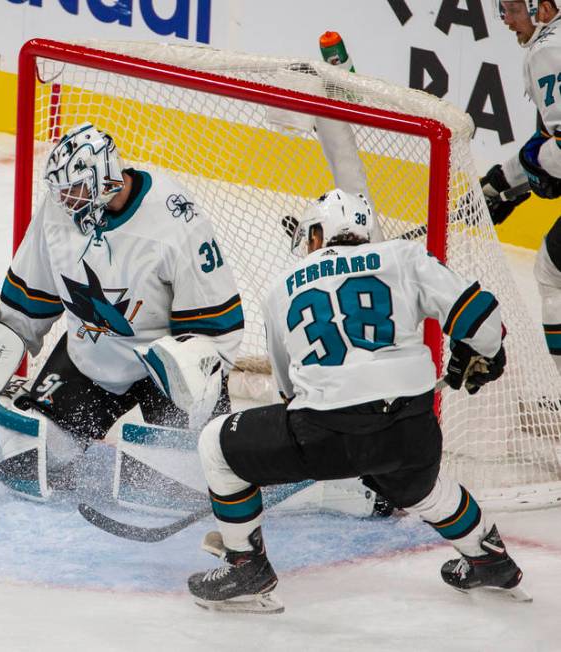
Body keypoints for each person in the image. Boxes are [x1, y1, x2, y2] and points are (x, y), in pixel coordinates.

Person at [186, 190, 527, 614]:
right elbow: (483, 319)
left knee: (217, 444)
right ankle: (489, 558)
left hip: (326, 434)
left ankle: (245, 564)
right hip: (413, 430)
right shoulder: (402, 256)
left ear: (316, 236)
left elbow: (289, 392)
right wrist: (480, 354)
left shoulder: (281, 288)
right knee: (418, 487)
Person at [0, 122, 245, 500]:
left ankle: (216, 446)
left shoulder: (174, 220)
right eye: (62, 193)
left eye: (76, 191)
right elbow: (28, 299)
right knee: (24, 461)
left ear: (107, 178)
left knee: (171, 487)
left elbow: (214, 328)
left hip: (164, 371)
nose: (68, 202)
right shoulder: (58, 210)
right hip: (89, 357)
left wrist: (195, 398)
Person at [486, 0, 561, 371]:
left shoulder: (547, 52)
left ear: (543, 8)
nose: (505, 19)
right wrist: (504, 182)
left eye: (512, 7)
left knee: (551, 275)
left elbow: (558, 152)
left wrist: (531, 167)